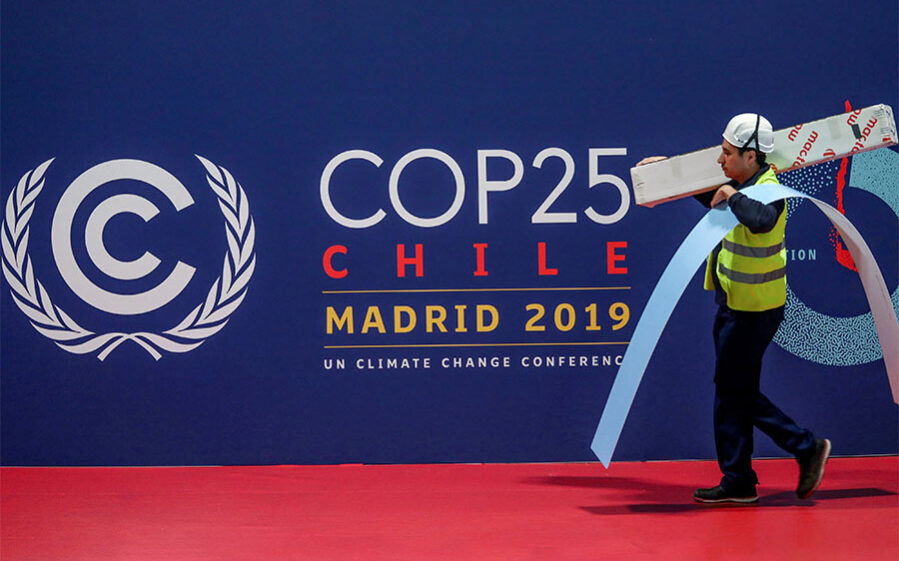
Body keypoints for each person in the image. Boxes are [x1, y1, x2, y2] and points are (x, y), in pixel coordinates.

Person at [638, 113, 831, 504]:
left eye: (727, 153)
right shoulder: (742, 185)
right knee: (732, 392)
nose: (720, 159)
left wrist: (731, 195)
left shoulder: (769, 191)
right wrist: (665, 171)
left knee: (734, 391)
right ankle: (739, 480)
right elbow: (707, 194)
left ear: (751, 156)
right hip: (734, 305)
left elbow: (760, 220)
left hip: (754, 312)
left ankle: (805, 446)